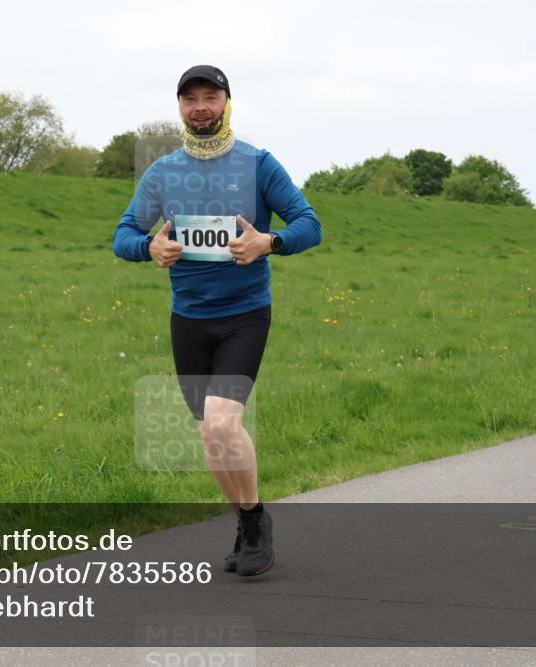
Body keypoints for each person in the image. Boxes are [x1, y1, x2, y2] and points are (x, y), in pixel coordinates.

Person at [112, 65, 322, 576]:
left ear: (228, 102)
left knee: (225, 422)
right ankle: (248, 519)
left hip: (245, 315)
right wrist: (150, 247)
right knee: (211, 436)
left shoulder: (258, 164)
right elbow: (123, 236)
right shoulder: (162, 173)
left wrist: (268, 242)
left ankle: (253, 527)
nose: (200, 106)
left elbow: (309, 225)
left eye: (211, 96)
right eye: (190, 99)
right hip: (189, 320)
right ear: (179, 108)